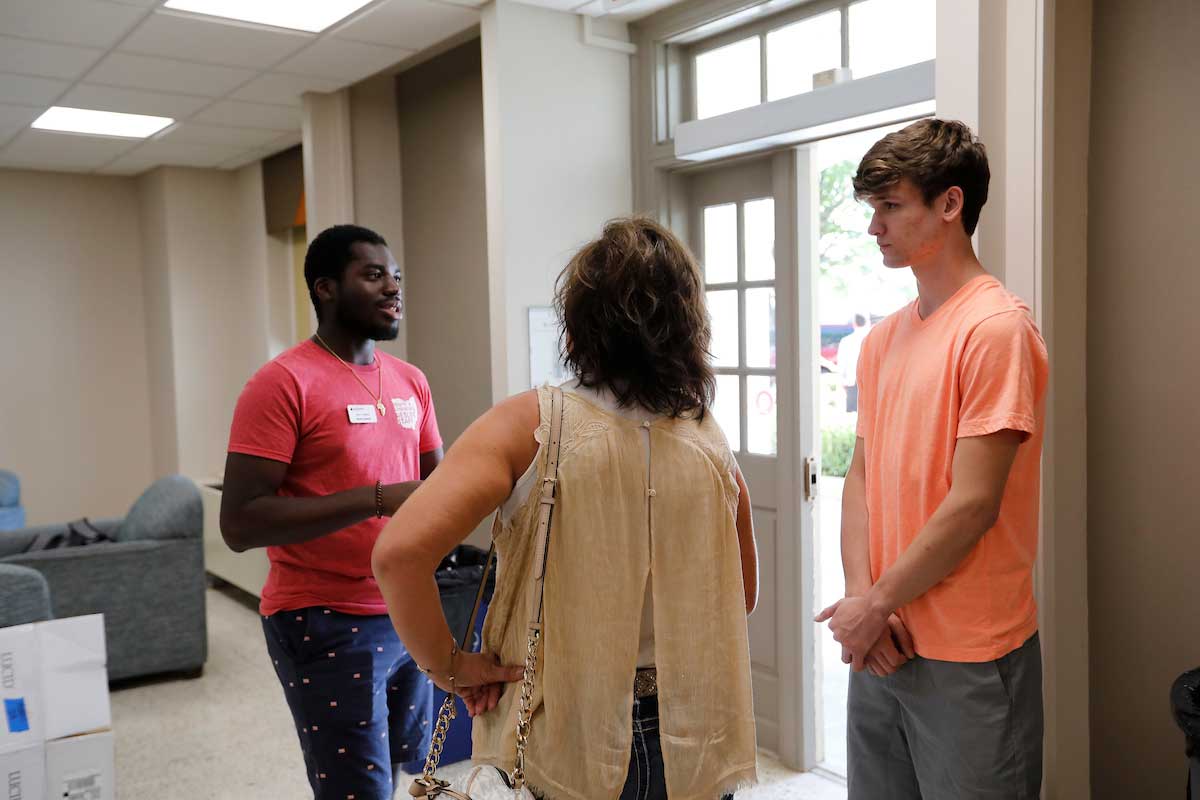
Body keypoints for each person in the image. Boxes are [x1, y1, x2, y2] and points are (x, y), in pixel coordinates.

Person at [372, 217, 759, 800]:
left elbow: (399, 555)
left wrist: (448, 667)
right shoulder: (708, 438)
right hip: (695, 724)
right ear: (687, 326)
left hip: (570, 723)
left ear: (577, 326)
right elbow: (742, 594)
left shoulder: (529, 424)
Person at [815, 119, 1049, 799]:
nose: (874, 228)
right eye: (872, 210)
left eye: (891, 207)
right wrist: (865, 604)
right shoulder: (881, 341)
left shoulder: (995, 329)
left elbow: (974, 504)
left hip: (969, 654)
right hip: (882, 643)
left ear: (950, 204)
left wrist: (877, 601)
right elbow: (860, 479)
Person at [220, 224, 445, 800]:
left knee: (410, 771)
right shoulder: (281, 383)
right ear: (324, 288)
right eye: (373, 274)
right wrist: (375, 499)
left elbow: (436, 488)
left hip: (406, 607)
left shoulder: (410, 382)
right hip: (323, 617)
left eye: (396, 276)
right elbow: (241, 523)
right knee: (356, 789)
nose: (393, 288)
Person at [836, 312, 870, 412]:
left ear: (854, 323)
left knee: (852, 413)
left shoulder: (846, 341)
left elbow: (841, 363)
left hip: (851, 380)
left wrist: (842, 380)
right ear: (867, 322)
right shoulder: (872, 338)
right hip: (869, 381)